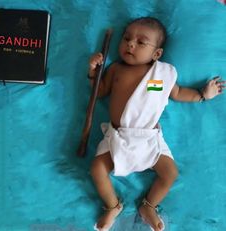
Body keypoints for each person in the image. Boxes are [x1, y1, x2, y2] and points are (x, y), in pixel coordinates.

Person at [88, 17, 225, 231]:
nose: (130, 44)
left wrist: (202, 95)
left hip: (148, 138)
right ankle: (112, 206)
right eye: (126, 38)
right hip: (118, 137)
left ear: (157, 54)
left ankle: (149, 206)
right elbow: (99, 92)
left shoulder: (159, 76)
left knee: (170, 173)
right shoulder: (116, 70)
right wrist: (94, 72)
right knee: (96, 169)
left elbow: (177, 93)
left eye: (141, 42)